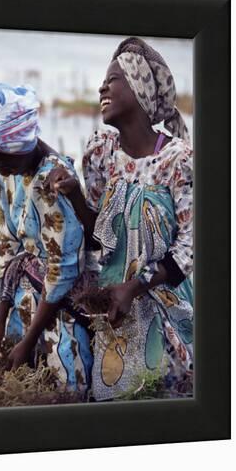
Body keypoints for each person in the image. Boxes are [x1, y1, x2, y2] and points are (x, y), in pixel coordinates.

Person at [48, 37, 193, 400]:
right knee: (115, 404)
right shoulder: (101, 153)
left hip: (167, 306)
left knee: (165, 401)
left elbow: (192, 246)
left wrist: (136, 286)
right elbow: (100, 237)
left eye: (113, 79)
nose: (102, 87)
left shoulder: (179, 160)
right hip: (115, 309)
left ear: (140, 88)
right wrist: (75, 195)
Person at [0, 82, 96, 393]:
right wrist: (0, 320)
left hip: (60, 309)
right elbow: (7, 244)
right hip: (25, 299)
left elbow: (63, 267)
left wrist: (28, 340)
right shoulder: (6, 170)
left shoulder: (53, 181)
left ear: (18, 149)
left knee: (62, 388)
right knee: (12, 383)